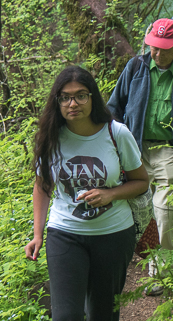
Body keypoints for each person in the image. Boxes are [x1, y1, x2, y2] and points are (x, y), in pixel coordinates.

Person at [25, 66, 150, 320]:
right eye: (65, 97)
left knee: (102, 314)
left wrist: (110, 194)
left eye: (81, 95)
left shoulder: (116, 134)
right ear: (57, 101)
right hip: (65, 233)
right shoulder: (50, 137)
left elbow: (141, 182)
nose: (73, 103)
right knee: (66, 315)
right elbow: (42, 186)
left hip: (114, 235)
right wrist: (37, 234)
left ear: (93, 97)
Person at [108, 18, 173, 295]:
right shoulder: (135, 68)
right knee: (135, 213)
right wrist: (111, 145)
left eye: (165, 48)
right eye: (154, 47)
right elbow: (113, 108)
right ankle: (119, 270)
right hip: (135, 149)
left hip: (169, 151)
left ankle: (160, 275)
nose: (158, 53)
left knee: (165, 213)